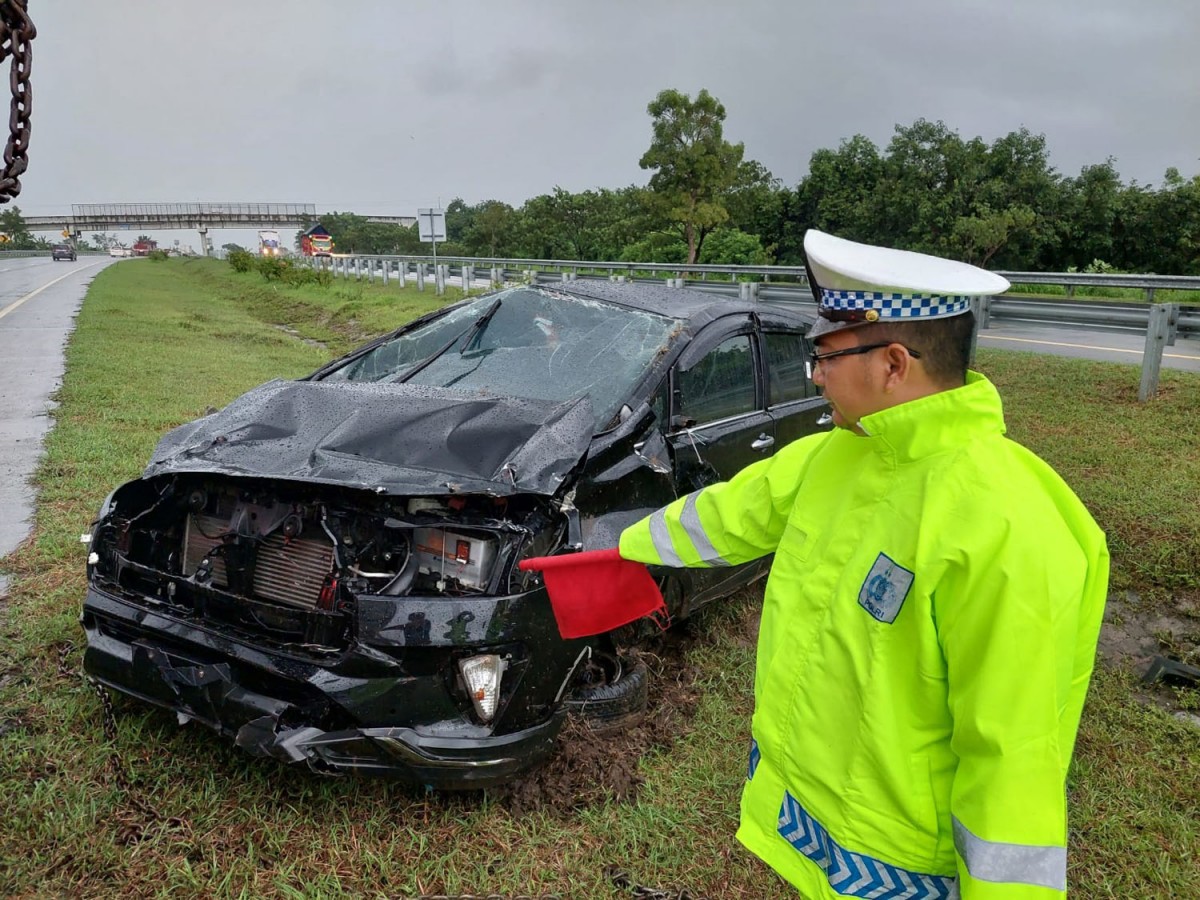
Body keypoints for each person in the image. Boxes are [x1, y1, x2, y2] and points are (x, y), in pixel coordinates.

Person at [616, 230, 1110, 898]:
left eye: (823, 356)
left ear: (894, 364)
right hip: (821, 823)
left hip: (901, 861)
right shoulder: (838, 456)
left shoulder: (1008, 526)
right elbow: (730, 515)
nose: (815, 376)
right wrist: (611, 551)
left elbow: (1012, 758)